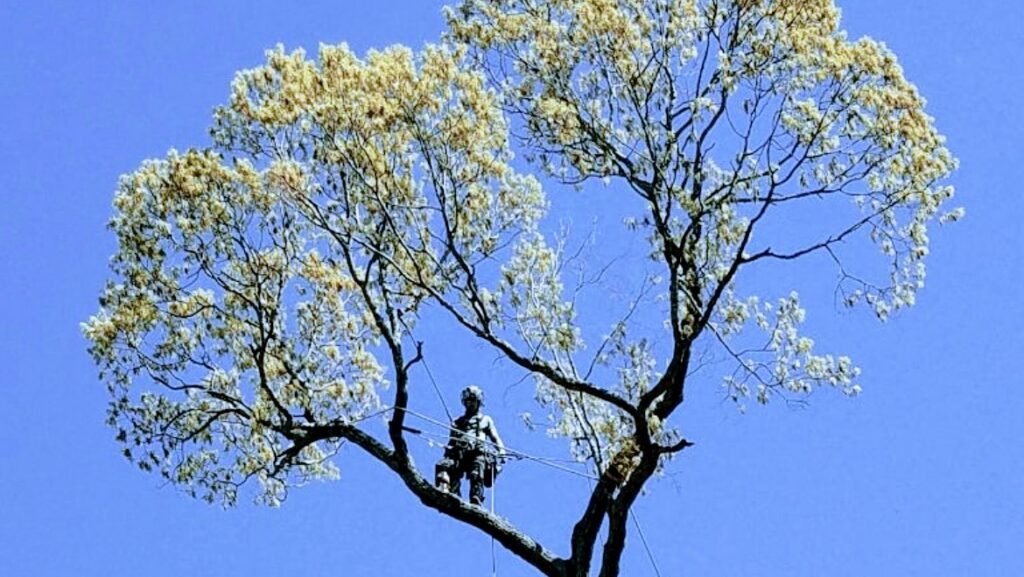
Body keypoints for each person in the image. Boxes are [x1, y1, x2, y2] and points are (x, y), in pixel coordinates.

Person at [434, 386, 505, 506]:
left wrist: (501, 451)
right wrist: (448, 452)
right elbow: (451, 442)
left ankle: (476, 498)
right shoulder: (458, 422)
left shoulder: (485, 420)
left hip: (478, 452)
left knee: (476, 473)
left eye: (474, 400)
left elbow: (495, 437)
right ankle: (447, 488)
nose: (471, 403)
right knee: (444, 465)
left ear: (479, 402)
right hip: (460, 452)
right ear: (464, 402)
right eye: (469, 401)